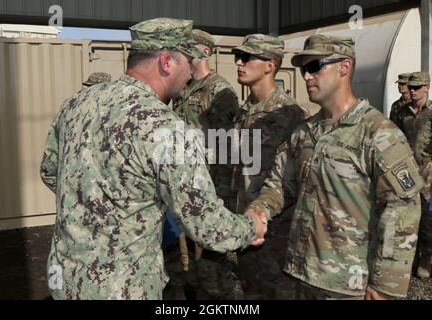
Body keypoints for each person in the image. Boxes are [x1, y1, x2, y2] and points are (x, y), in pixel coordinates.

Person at [40, 17, 267, 300]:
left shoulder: (76, 104)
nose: (189, 73)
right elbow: (207, 226)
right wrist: (251, 227)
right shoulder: (164, 126)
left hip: (65, 280)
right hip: (122, 287)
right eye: (187, 62)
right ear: (166, 62)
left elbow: (51, 171)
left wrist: (97, 204)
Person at [246, 34, 423, 299]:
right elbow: (280, 185)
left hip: (347, 286)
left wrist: (387, 286)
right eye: (304, 69)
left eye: (315, 66)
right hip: (300, 274)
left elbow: (401, 209)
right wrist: (257, 211)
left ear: (344, 67)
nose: (306, 76)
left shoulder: (378, 133)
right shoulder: (304, 133)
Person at [231, 34, 310, 299]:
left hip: (278, 236)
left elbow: (298, 180)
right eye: (238, 57)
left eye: (247, 57)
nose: (239, 63)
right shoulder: (244, 112)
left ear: (270, 65)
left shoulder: (291, 115)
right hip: (247, 228)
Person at [167, 29, 242, 299]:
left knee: (215, 256)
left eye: (190, 47)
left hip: (212, 184)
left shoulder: (219, 90)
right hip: (186, 183)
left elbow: (228, 146)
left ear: (205, 52)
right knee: (188, 254)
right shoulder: (184, 89)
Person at [393, 71, 432, 279]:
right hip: (406, 170)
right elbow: (395, 137)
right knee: (406, 214)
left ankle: (425, 259)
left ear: (427, 87)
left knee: (428, 216)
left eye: (417, 87)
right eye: (411, 87)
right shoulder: (402, 111)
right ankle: (407, 257)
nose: (412, 91)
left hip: (428, 172)